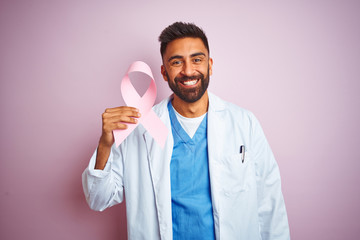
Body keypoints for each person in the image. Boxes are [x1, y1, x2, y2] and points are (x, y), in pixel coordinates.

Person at [82, 22, 290, 240]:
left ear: (210, 65)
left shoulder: (243, 123)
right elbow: (98, 199)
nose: (188, 71)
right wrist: (105, 144)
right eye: (176, 62)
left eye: (197, 60)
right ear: (164, 72)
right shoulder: (140, 128)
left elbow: (270, 204)